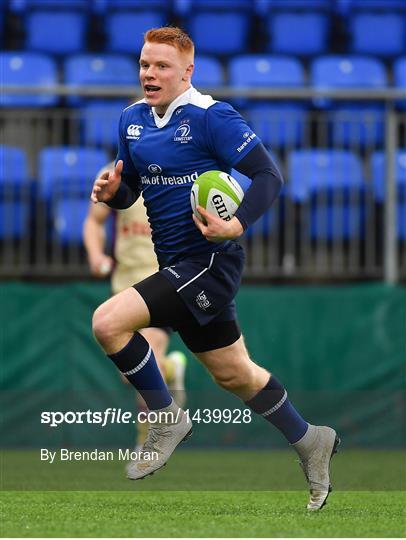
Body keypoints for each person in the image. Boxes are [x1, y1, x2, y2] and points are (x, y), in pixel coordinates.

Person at [90, 27, 339, 510]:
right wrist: (112, 193)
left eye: (162, 65)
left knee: (107, 322)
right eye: (145, 64)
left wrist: (238, 224)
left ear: (187, 71)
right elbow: (132, 188)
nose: (150, 73)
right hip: (177, 265)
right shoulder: (132, 120)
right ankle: (311, 440)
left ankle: (166, 417)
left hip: (210, 261)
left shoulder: (211, 116)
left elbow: (269, 175)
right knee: (236, 376)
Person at [83, 167, 187, 451]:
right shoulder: (117, 177)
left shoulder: (180, 176)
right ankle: (172, 368)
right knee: (130, 374)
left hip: (162, 283)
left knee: (148, 358)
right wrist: (95, 255)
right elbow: (94, 221)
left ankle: (147, 441)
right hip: (124, 287)